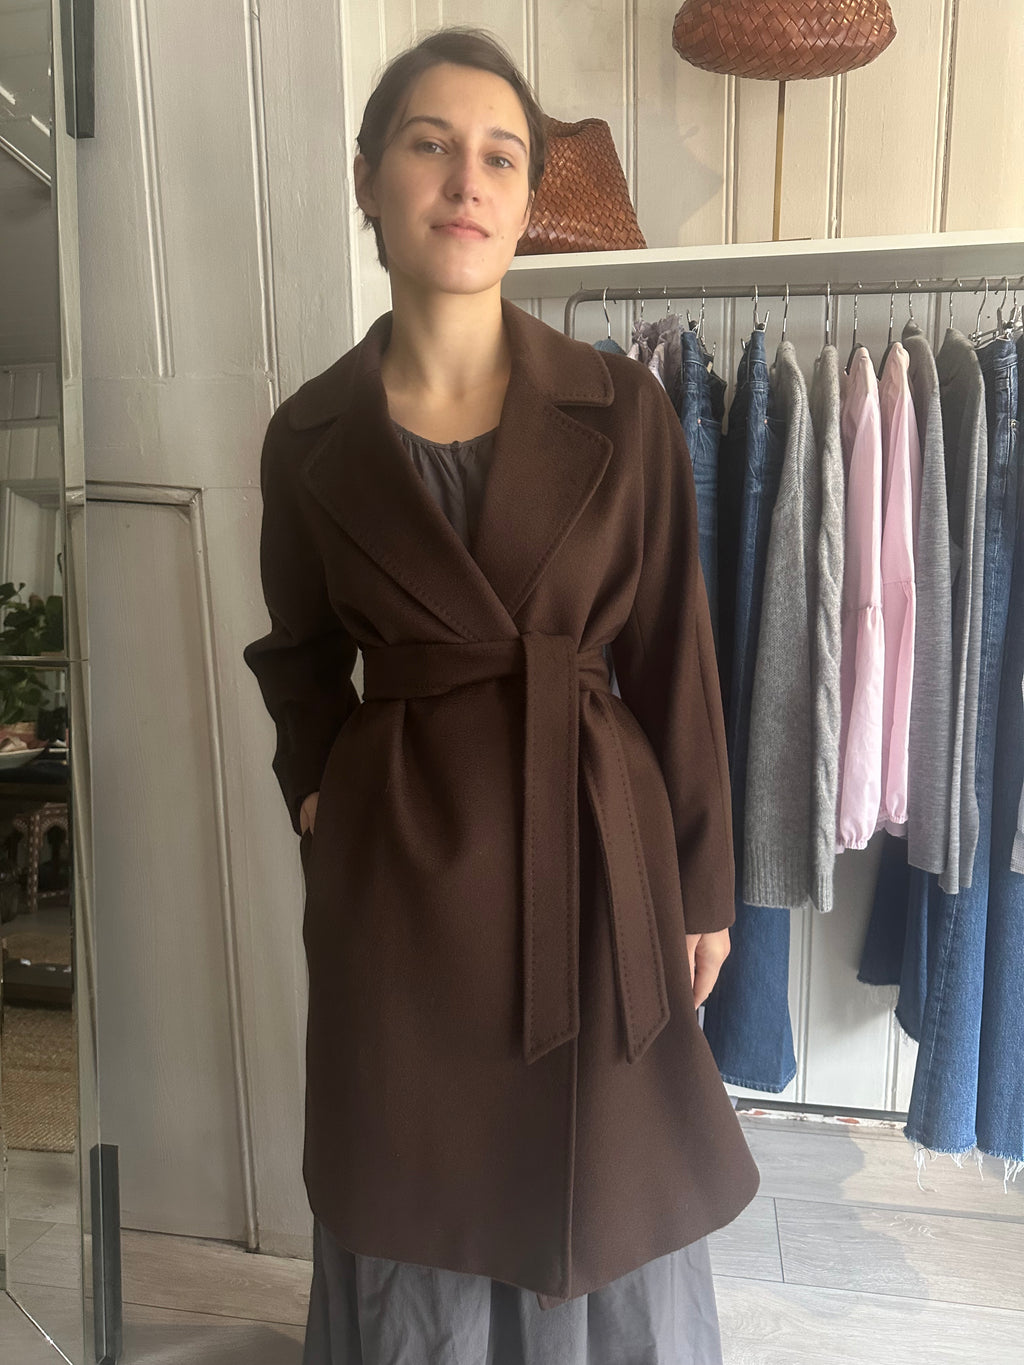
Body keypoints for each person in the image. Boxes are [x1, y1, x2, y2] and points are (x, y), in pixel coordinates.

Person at [242, 24, 760, 1365]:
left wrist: (703, 881)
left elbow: (674, 655)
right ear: (369, 178)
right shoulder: (307, 436)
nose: (465, 179)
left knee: (609, 1169)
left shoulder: (623, 409)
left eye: (500, 155)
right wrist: (319, 791)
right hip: (401, 867)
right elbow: (298, 649)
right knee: (414, 1172)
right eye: (430, 145)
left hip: (590, 847)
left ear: (529, 202)